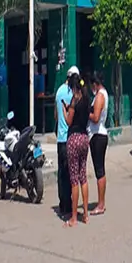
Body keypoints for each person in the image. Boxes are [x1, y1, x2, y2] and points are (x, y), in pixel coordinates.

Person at [63, 73, 91, 227]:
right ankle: (85, 214)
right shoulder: (86, 99)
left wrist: (64, 110)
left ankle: (74, 217)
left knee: (74, 180)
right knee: (83, 177)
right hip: (84, 138)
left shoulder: (74, 100)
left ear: (73, 87)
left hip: (73, 139)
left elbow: (68, 121)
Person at [55, 66, 77, 219]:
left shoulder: (58, 92)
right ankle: (69, 207)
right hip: (70, 138)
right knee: (71, 174)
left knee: (61, 174)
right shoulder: (73, 94)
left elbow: (56, 116)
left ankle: (63, 205)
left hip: (60, 139)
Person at [88, 71, 109, 216]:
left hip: (98, 135)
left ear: (95, 84)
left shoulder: (100, 95)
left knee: (99, 170)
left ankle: (101, 204)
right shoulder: (101, 94)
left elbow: (95, 117)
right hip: (96, 135)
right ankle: (101, 203)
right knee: (99, 170)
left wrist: (85, 113)